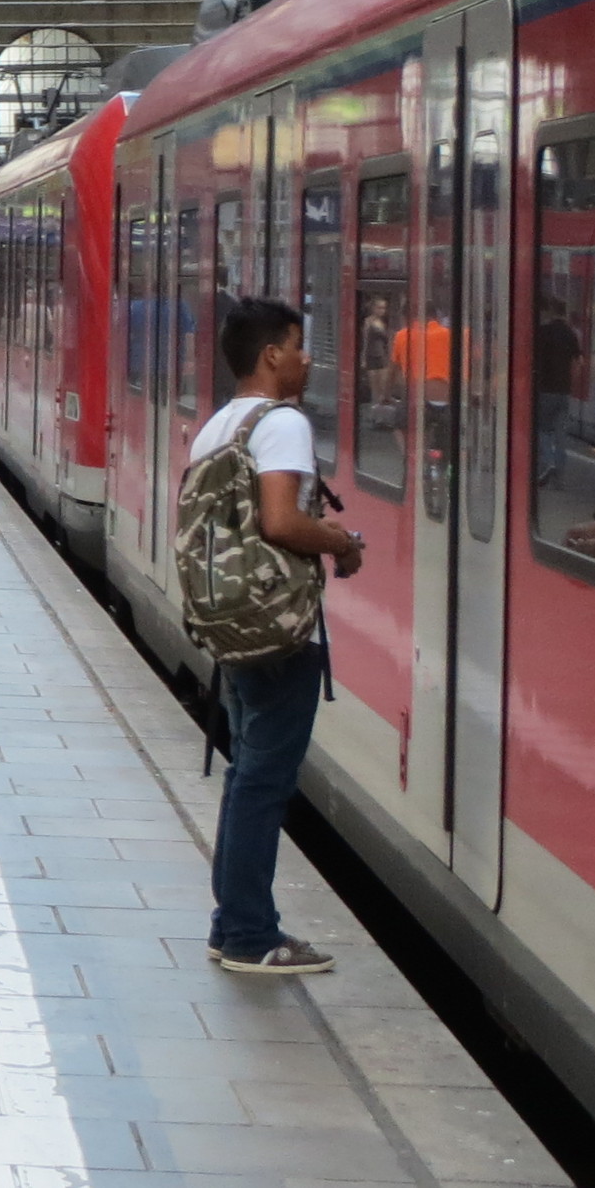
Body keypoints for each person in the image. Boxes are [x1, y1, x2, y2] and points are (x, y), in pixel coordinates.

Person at [195, 296, 365, 977]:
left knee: (246, 777)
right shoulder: (282, 423)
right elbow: (279, 523)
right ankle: (247, 933)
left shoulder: (218, 424)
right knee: (264, 782)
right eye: (298, 347)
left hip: (230, 621)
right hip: (275, 627)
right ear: (271, 355)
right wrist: (341, 541)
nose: (307, 359)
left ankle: (232, 923)